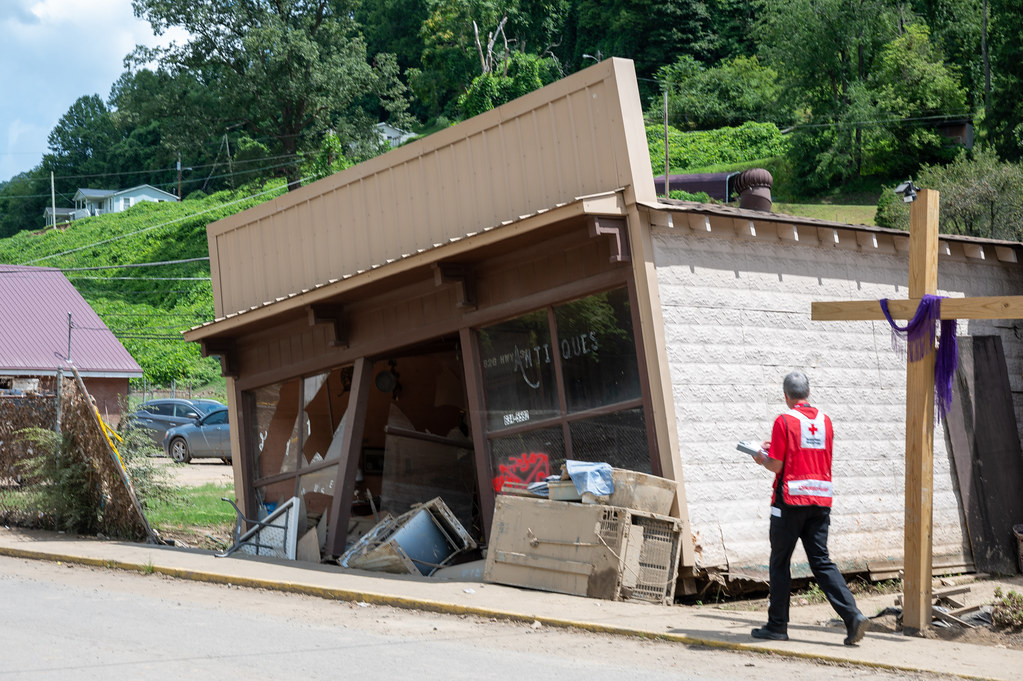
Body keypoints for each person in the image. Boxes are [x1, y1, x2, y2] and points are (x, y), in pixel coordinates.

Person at [749, 370, 869, 646]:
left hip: (789, 502)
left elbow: (777, 465)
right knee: (821, 561)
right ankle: (853, 616)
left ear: (786, 395)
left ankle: (777, 626)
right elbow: (811, 454)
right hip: (820, 502)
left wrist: (761, 457)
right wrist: (776, 449)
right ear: (808, 393)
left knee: (780, 562)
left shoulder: (784, 420)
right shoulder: (825, 421)